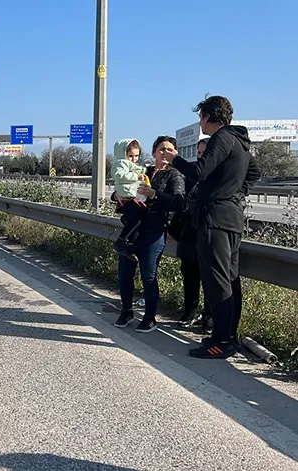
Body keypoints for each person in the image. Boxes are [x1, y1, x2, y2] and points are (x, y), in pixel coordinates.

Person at [164, 95, 260, 359]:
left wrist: (175, 160)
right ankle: (228, 335)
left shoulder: (222, 137)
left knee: (217, 281)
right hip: (232, 219)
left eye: (201, 118)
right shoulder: (240, 141)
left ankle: (222, 341)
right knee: (229, 279)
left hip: (214, 219)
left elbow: (199, 172)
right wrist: (235, 195)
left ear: (208, 116)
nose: (200, 123)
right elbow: (254, 172)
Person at [113, 136, 185, 333]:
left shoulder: (174, 175)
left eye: (169, 150)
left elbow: (179, 202)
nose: (165, 153)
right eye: (161, 149)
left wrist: (154, 194)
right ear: (153, 152)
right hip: (133, 230)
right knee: (125, 272)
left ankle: (150, 317)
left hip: (154, 231)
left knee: (148, 275)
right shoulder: (142, 170)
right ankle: (126, 310)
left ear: (175, 153)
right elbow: (122, 186)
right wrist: (116, 195)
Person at [173, 138, 212, 331]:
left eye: (205, 153)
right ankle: (190, 311)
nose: (201, 157)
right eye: (199, 153)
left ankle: (209, 316)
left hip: (209, 232)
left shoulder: (218, 175)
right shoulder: (191, 175)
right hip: (189, 232)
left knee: (210, 278)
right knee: (189, 275)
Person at [111, 139, 149, 260]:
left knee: (138, 219)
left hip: (133, 195)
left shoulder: (137, 165)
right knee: (137, 218)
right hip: (126, 196)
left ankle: (129, 245)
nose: (134, 159)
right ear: (123, 154)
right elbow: (119, 176)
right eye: (130, 156)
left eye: (136, 156)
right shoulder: (120, 163)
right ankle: (121, 241)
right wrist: (136, 176)